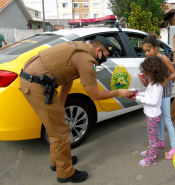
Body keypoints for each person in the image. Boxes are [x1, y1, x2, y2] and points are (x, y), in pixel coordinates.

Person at [19, 36, 133, 183]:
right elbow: (94, 95)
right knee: (59, 131)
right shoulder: (86, 60)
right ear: (99, 50)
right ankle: (65, 173)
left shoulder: (80, 47)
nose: (105, 59)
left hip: (38, 82)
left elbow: (69, 77)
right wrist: (118, 92)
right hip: (37, 85)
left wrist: (62, 101)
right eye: (106, 55)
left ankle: (58, 162)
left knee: (56, 127)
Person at [141, 32, 175, 159]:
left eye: (149, 50)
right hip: (155, 93)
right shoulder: (149, 61)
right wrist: (145, 82)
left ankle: (174, 147)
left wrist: (167, 79)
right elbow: (151, 80)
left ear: (156, 47)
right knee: (158, 120)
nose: (147, 53)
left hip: (165, 94)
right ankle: (160, 142)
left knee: (167, 119)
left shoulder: (164, 59)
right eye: (145, 51)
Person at [130, 56, 169, 167]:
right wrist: (137, 93)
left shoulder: (157, 86)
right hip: (150, 114)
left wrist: (137, 98)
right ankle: (151, 152)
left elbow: (153, 102)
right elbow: (147, 95)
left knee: (153, 138)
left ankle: (151, 158)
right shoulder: (152, 84)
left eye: (146, 72)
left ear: (154, 72)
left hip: (153, 115)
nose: (145, 74)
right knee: (151, 135)